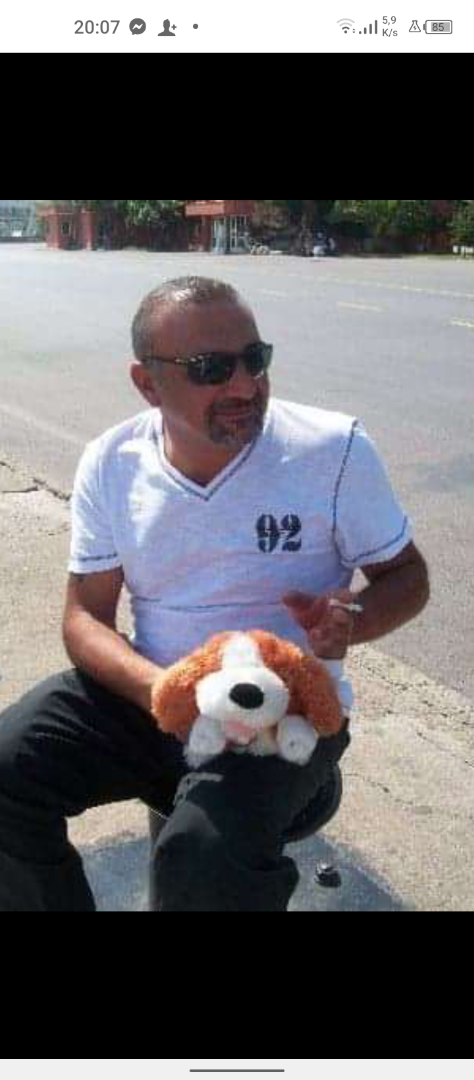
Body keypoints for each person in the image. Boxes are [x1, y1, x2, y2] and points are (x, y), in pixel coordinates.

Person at [0, 276, 429, 912]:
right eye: (212, 368)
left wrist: (352, 621)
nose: (245, 385)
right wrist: (165, 691)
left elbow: (409, 576)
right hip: (156, 693)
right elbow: (84, 618)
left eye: (255, 358)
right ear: (148, 384)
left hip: (283, 712)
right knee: (7, 773)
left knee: (202, 856)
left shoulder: (332, 450)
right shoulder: (112, 462)